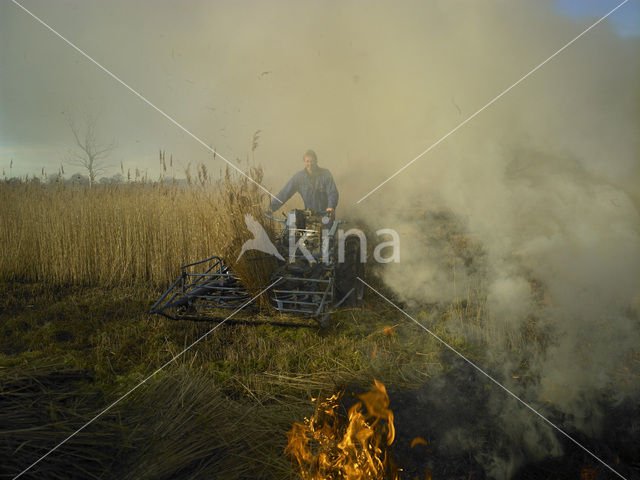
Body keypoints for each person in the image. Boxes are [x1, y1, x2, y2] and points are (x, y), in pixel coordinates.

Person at [269, 149, 339, 218]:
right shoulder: (299, 178)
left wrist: (331, 207)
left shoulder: (325, 174)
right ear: (304, 163)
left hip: (326, 215)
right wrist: (271, 208)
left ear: (316, 161)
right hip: (309, 217)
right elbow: (285, 193)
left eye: (312, 161)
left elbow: (333, 193)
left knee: (328, 229)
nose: (310, 164)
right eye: (307, 161)